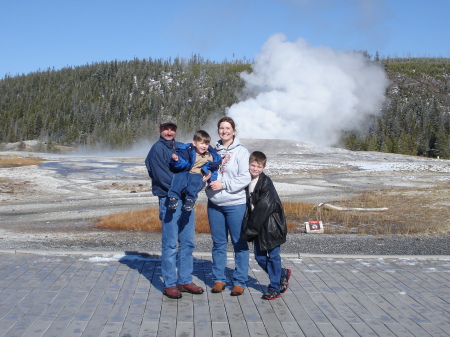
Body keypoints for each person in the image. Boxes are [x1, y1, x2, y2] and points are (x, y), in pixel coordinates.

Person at [145, 121, 204, 299]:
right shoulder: (157, 150)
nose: (169, 132)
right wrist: (188, 188)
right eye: (165, 129)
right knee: (170, 244)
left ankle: (185, 280)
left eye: (172, 129)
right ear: (159, 129)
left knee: (187, 242)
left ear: (176, 130)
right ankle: (170, 283)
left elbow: (195, 164)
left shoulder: (181, 147)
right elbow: (162, 178)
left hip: (186, 200)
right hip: (169, 200)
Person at [205, 117, 251, 296]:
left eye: (227, 128)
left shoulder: (241, 152)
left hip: (235, 204)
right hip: (215, 203)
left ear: (234, 131)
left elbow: (245, 177)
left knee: (239, 243)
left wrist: (223, 185)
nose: (224, 131)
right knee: (218, 243)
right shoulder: (212, 150)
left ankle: (239, 281)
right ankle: (218, 279)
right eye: (221, 128)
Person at [241, 151, 291, 300]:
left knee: (273, 256)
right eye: (253, 165)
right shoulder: (246, 179)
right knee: (260, 257)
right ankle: (281, 273)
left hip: (271, 227)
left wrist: (249, 229)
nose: (255, 168)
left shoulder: (266, 183)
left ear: (264, 167)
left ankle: (274, 287)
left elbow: (263, 209)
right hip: (258, 226)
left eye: (259, 166)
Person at [168, 130, 222, 212]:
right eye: (201, 143)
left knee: (195, 180)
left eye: (206, 144)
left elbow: (213, 168)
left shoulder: (210, 156)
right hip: (186, 172)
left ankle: (190, 200)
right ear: (194, 143)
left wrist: (212, 180)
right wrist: (177, 160)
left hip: (198, 174)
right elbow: (183, 162)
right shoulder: (188, 151)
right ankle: (173, 198)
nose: (204, 146)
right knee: (178, 177)